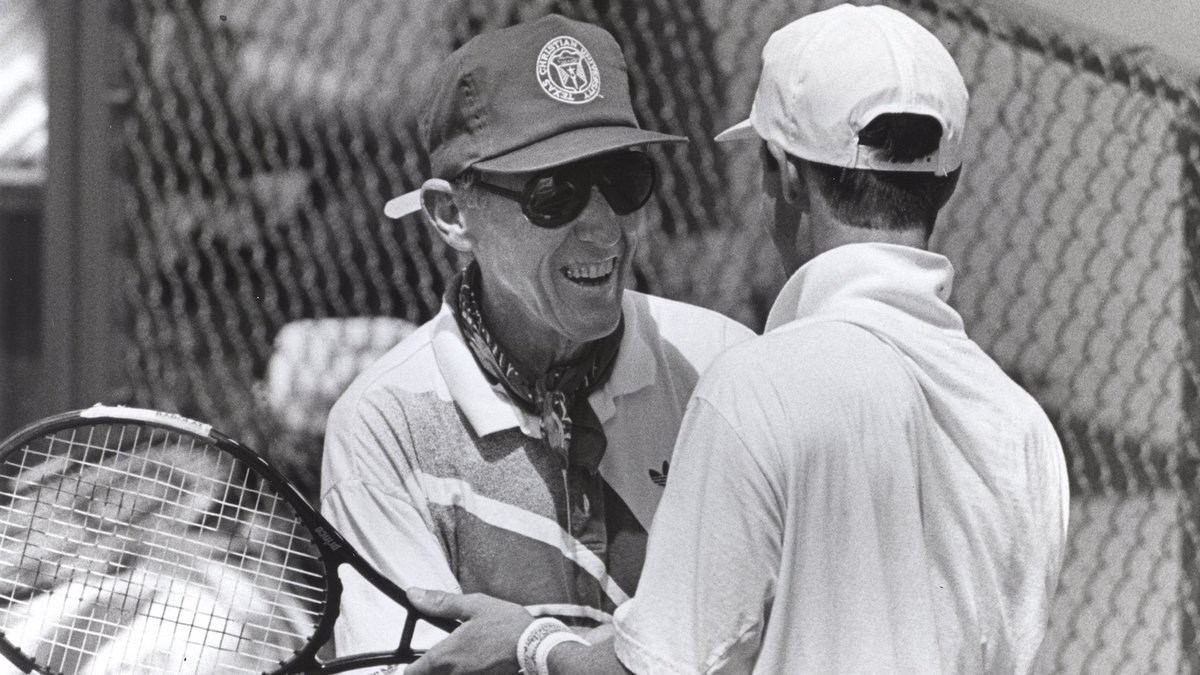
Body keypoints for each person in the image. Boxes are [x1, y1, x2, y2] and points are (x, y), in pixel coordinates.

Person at [403, 5, 1071, 674]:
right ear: (947, 182)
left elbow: (657, 667)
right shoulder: (1023, 430)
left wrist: (530, 643)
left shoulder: (758, 387)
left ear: (780, 172)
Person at [318, 14, 755, 658]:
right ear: (450, 215)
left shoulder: (721, 368)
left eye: (624, 179)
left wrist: (532, 652)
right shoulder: (387, 426)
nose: (606, 229)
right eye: (556, 193)